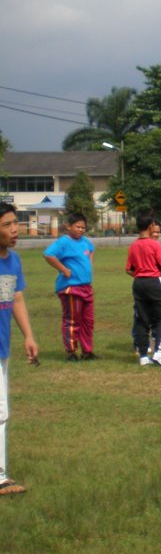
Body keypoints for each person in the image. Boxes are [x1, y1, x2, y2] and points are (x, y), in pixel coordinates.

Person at [0, 203, 39, 494]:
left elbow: (16, 299)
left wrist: (28, 335)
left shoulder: (12, 261)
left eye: (16, 223)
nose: (15, 229)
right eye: (7, 225)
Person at [43, 212, 97, 362]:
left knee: (88, 321)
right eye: (77, 227)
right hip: (71, 287)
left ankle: (87, 351)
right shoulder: (63, 242)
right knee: (73, 320)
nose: (80, 230)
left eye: (83, 228)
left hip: (86, 287)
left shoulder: (86, 242)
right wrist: (64, 269)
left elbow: (91, 251)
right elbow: (48, 255)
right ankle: (71, 352)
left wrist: (88, 266)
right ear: (69, 226)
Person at [126, 210, 161, 368]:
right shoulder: (155, 244)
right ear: (150, 226)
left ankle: (143, 356)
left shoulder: (133, 246)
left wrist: (140, 274)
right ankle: (159, 352)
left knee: (141, 319)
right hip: (154, 281)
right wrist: (156, 274)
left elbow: (128, 269)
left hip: (138, 283)